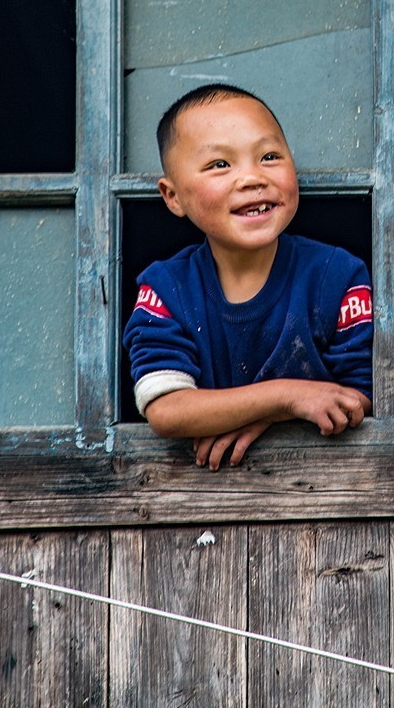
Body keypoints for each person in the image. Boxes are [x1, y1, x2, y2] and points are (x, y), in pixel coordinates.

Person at [123, 83, 373, 470]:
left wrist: (268, 416)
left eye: (269, 156)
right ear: (172, 197)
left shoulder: (336, 276)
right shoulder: (166, 288)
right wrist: (285, 397)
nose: (252, 178)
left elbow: (365, 393)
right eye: (220, 164)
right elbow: (166, 407)